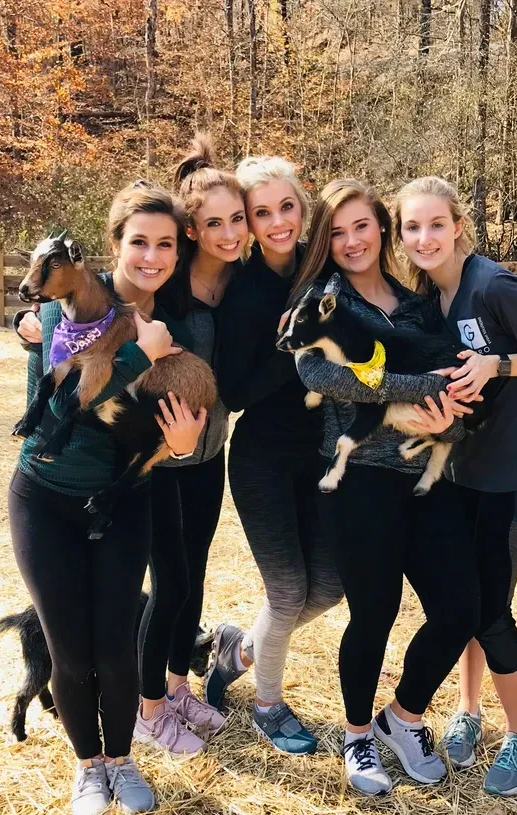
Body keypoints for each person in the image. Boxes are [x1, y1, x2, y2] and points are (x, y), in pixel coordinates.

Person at [11, 181, 208, 815]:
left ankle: (120, 762)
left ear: (179, 255)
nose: (151, 256)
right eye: (138, 242)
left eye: (165, 245)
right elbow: (53, 416)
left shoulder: (166, 326)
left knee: (116, 651)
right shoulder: (62, 312)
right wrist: (134, 358)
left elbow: (164, 425)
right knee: (70, 652)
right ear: (112, 246)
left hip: (123, 503)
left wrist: (181, 444)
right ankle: (88, 770)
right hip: (44, 498)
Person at [288, 178, 484, 796]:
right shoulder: (322, 301)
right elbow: (319, 374)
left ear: (383, 227)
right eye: (337, 232)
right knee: (375, 612)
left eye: (362, 227)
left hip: (424, 477)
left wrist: (449, 406)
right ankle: (355, 735)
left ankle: (402, 718)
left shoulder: (421, 301)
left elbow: (457, 372)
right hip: (361, 481)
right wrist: (417, 384)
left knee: (461, 608)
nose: (351, 242)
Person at [394, 175, 517, 796]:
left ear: (457, 227)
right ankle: (468, 712)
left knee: (491, 607)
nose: (425, 237)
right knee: (469, 596)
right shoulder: (432, 297)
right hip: (464, 466)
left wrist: (498, 362)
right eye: (412, 227)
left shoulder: (495, 284)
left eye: (435, 224)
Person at [204, 156, 343, 755]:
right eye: (262, 213)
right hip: (262, 458)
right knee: (288, 592)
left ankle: (238, 650)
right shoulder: (244, 290)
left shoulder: (327, 263)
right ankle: (266, 705)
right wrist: (296, 349)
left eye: (286, 206)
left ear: (303, 203)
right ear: (248, 223)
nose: (278, 221)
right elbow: (232, 393)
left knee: (330, 586)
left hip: (324, 454)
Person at [133, 134, 247, 755]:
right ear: (193, 230)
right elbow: (96, 322)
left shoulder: (242, 286)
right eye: (214, 223)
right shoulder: (166, 292)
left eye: (238, 219)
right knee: (170, 584)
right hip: (158, 464)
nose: (229, 233)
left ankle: (178, 687)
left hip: (210, 455)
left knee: (195, 576)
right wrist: (32, 327)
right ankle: (147, 708)